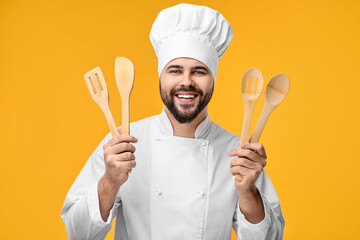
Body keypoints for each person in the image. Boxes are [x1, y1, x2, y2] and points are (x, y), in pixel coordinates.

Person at [61, 3, 285, 240]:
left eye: (199, 71)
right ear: (161, 76)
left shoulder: (240, 154)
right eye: (175, 71)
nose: (186, 82)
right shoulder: (122, 144)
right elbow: (78, 234)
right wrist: (109, 182)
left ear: (213, 79)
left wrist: (248, 191)